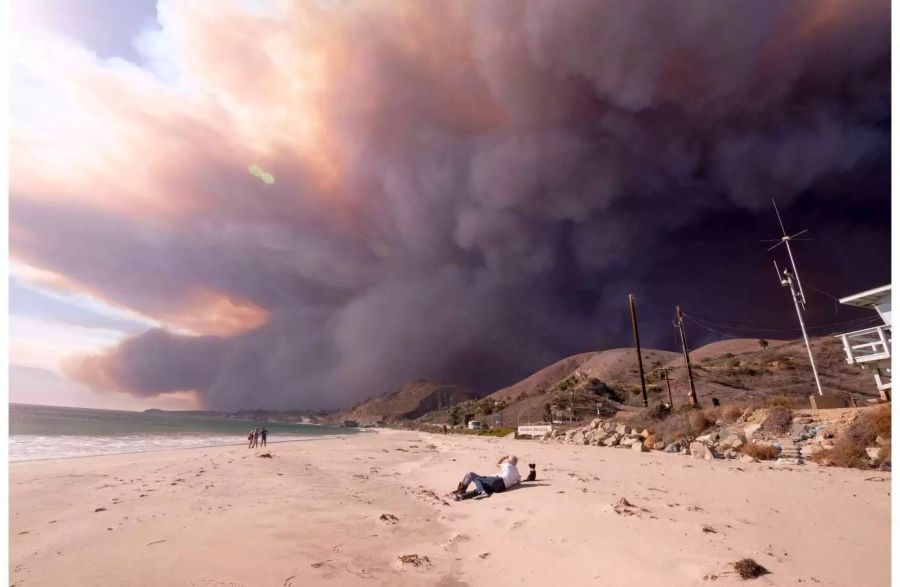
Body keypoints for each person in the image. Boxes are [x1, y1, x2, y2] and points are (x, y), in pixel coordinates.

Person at [452, 455, 521, 500]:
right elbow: (518, 482)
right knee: (483, 487)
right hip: (500, 488)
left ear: (508, 461)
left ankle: (462, 490)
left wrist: (503, 458)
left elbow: (497, 464)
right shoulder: (517, 472)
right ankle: (461, 496)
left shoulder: (507, 465)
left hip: (498, 481)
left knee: (475, 477)